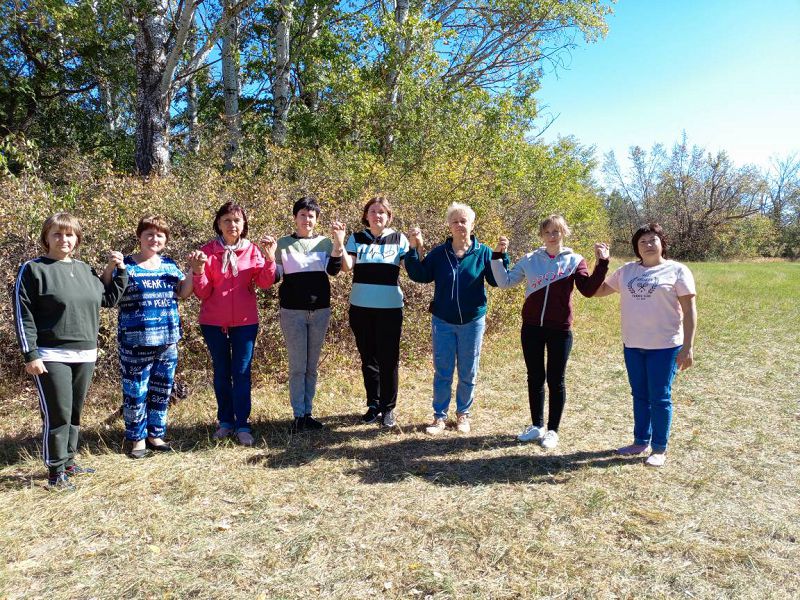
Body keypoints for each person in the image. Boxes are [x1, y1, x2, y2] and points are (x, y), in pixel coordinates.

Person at [13, 212, 128, 490]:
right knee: (58, 414)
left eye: (69, 234)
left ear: (77, 239)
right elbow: (23, 314)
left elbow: (108, 299)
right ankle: (55, 473)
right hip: (50, 355)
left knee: (74, 413)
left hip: (85, 354)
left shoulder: (86, 270)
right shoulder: (33, 269)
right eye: (57, 234)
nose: (63, 239)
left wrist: (119, 270)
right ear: (46, 237)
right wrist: (31, 354)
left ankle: (69, 462)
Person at [491, 215, 609, 450]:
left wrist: (602, 263)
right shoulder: (530, 260)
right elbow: (504, 281)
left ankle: (553, 430)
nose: (552, 236)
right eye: (547, 232)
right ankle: (537, 426)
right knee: (535, 377)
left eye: (556, 231)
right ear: (541, 235)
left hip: (560, 329)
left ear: (564, 233)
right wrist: (498, 256)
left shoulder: (575, 260)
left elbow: (587, 290)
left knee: (556, 380)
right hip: (532, 328)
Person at [593, 223, 696, 467]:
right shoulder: (627, 271)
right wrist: (601, 262)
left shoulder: (677, 270)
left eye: (653, 240)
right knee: (639, 395)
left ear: (662, 243)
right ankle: (640, 441)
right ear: (636, 248)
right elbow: (597, 291)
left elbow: (690, 310)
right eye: (642, 242)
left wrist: (688, 346)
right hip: (633, 345)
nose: (648, 245)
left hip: (665, 346)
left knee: (660, 397)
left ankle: (659, 448)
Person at [405, 202, 505, 434]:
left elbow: (496, 280)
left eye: (464, 221)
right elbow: (420, 275)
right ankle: (439, 417)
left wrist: (501, 256)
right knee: (443, 371)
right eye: (455, 221)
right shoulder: (439, 253)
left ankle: (463, 415)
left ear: (472, 224)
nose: (460, 225)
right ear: (449, 226)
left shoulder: (484, 252)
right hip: (443, 321)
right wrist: (412, 249)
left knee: (468, 371)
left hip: (473, 321)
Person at [102, 215, 194, 459]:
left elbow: (184, 292)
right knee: (135, 392)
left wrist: (193, 271)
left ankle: (156, 435)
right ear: (139, 237)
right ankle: (137, 439)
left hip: (167, 340)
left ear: (166, 239)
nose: (155, 239)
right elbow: (107, 291)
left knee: (161, 390)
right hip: (135, 341)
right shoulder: (126, 264)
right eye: (149, 234)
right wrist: (110, 267)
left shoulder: (170, 265)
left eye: (160, 235)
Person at [189, 201, 276, 447]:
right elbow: (203, 293)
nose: (232, 225)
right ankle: (225, 422)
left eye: (237, 220)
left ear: (244, 224)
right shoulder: (207, 252)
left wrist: (270, 259)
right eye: (227, 220)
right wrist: (198, 271)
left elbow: (265, 283)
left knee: (241, 373)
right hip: (213, 322)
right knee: (221, 373)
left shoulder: (253, 250)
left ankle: (243, 424)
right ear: (218, 223)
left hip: (245, 323)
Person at [274, 197, 345, 433]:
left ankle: (308, 413)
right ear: (295, 218)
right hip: (292, 312)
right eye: (302, 215)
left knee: (311, 367)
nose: (307, 219)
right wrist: (268, 255)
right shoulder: (282, 244)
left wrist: (338, 243)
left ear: (317, 219)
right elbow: (275, 277)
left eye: (311, 216)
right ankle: (298, 415)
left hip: (320, 312)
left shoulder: (325, 243)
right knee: (297, 366)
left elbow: (333, 271)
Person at [341, 197, 409, 427]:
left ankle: (388, 408)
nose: (377, 215)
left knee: (388, 358)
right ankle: (374, 405)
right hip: (361, 307)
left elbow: (412, 268)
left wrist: (417, 246)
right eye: (372, 211)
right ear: (366, 215)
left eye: (382, 212)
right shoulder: (356, 238)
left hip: (390, 308)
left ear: (388, 216)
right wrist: (339, 242)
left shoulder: (399, 239)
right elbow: (346, 267)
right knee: (368, 358)